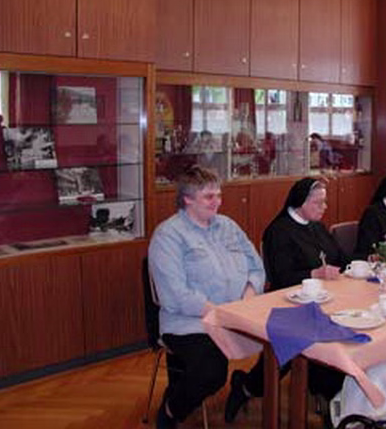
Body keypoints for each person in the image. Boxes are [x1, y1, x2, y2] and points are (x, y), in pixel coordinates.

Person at [148, 166, 265, 429]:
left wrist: (249, 294)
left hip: (237, 313)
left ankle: (247, 386)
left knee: (285, 340)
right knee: (211, 371)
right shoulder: (168, 236)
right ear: (187, 199)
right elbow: (175, 296)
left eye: (219, 195)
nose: (217, 202)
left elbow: (257, 267)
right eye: (209, 197)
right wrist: (221, 313)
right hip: (191, 322)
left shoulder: (228, 226)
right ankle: (170, 410)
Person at [224, 178, 346, 422]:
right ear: (301, 202)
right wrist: (315, 273)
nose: (324, 207)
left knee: (343, 333)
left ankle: (330, 391)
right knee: (286, 353)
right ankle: (246, 387)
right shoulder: (278, 231)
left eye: (324, 202)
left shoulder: (317, 227)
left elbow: (339, 257)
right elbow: (281, 277)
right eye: (319, 202)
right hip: (288, 305)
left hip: (325, 300)